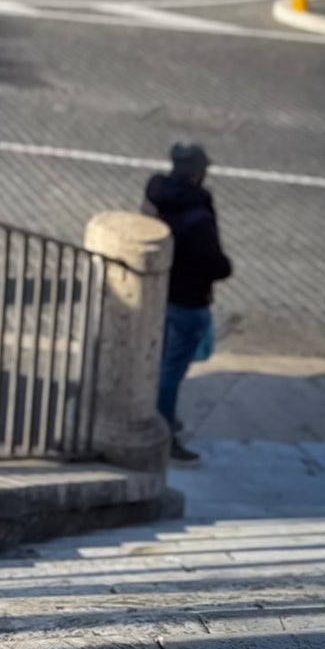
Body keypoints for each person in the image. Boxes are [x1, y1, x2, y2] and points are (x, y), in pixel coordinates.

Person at [143, 144, 232, 465]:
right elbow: (212, 262)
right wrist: (225, 267)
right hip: (189, 300)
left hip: (161, 292)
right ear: (197, 171)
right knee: (172, 369)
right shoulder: (198, 214)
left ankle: (158, 413)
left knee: (160, 360)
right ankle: (164, 431)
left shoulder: (156, 193)